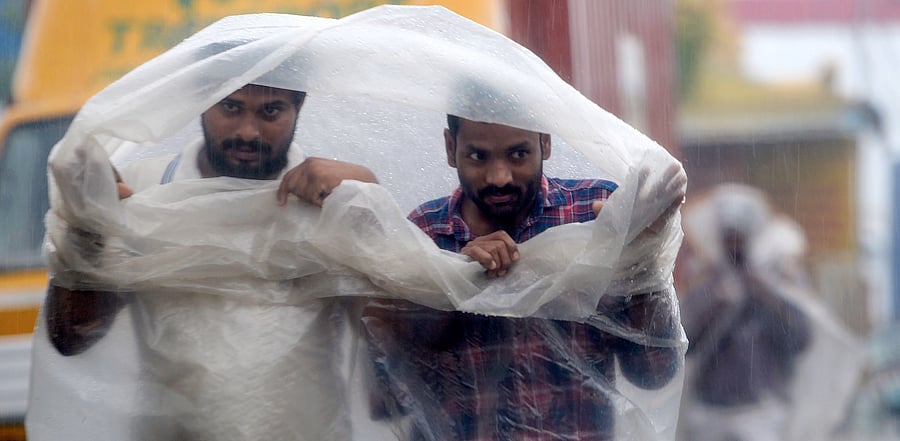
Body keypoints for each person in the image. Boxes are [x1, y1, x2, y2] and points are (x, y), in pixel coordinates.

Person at [362, 114, 685, 440]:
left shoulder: (592, 216)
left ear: (545, 142)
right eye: (478, 156)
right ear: (450, 147)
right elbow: (385, 399)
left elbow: (653, 374)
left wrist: (641, 265)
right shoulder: (425, 236)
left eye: (518, 154)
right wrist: (452, 279)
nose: (499, 177)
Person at [44, 82, 377, 356]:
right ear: (203, 99)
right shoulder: (144, 190)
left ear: (298, 106)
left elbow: (388, 337)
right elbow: (71, 337)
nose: (248, 132)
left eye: (270, 110)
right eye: (230, 107)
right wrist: (87, 227)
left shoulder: (331, 196)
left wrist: (368, 200)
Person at [678, 184, 812, 441]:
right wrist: (717, 302)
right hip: (710, 410)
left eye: (741, 236)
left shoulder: (781, 279)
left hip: (762, 411)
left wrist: (765, 293)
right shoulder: (704, 280)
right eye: (729, 236)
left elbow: (801, 337)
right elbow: (684, 339)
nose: (735, 244)